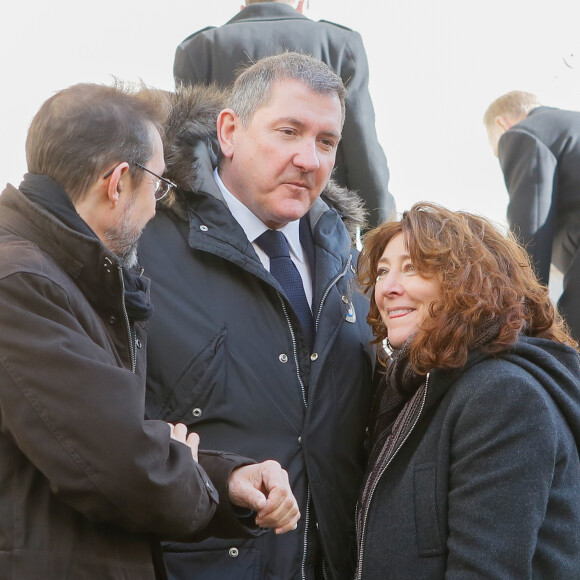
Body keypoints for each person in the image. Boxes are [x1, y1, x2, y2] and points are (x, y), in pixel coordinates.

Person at [0, 82, 300, 580]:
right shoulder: (21, 285)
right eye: (158, 184)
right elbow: (118, 466)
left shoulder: (65, 276)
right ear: (118, 182)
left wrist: (227, 480)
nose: (158, 205)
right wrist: (177, 456)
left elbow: (127, 438)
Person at [138, 53, 376, 580]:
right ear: (229, 131)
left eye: (326, 142)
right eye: (287, 131)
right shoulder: (144, 245)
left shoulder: (351, 263)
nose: (308, 159)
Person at [355, 202, 580, 579]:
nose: (388, 288)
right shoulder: (425, 390)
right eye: (382, 271)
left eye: (412, 267)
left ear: (468, 281)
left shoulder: (503, 395)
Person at [173, 0, 395, 228]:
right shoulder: (339, 44)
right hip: (319, 227)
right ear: (301, 4)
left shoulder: (199, 49)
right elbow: (362, 152)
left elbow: (189, 152)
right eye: (288, 132)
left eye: (325, 141)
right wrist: (381, 235)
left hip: (218, 225)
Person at [484, 90, 580, 342]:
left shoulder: (523, 133)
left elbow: (530, 233)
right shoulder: (570, 128)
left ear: (502, 124)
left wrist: (517, 317)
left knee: (569, 349)